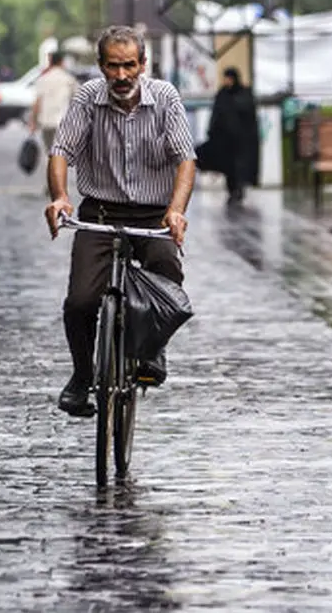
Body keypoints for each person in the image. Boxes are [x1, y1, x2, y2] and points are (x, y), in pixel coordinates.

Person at [44, 25, 197, 417]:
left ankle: (152, 350)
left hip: (154, 213)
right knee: (80, 301)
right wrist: (60, 197)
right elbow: (61, 150)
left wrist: (176, 210)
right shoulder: (87, 99)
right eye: (113, 66)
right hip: (101, 212)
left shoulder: (165, 98)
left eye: (130, 65)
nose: (122, 75)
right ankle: (81, 377)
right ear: (101, 67)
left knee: (165, 276)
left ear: (143, 64)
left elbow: (185, 159)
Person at [204, 67, 260, 204]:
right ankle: (232, 190)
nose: (226, 81)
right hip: (226, 140)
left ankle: (239, 190)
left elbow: (249, 115)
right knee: (229, 168)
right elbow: (216, 114)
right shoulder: (223, 94)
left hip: (243, 141)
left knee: (241, 168)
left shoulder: (244, 93)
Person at [29, 51, 79, 154]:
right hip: (62, 122)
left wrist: (33, 122)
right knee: (61, 153)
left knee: (50, 152)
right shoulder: (68, 80)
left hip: (46, 122)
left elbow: (37, 103)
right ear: (62, 62)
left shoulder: (43, 79)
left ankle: (53, 169)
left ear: (50, 62)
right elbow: (79, 100)